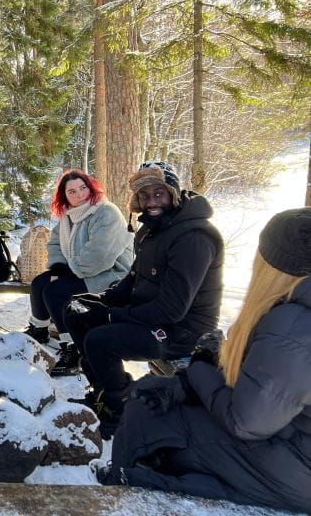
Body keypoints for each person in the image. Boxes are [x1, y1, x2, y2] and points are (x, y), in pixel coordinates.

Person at [96, 207, 311, 513]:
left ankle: (126, 495)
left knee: (145, 410)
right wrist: (186, 384)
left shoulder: (293, 323)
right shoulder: (294, 309)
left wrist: (199, 369)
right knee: (158, 392)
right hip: (290, 443)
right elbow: (270, 385)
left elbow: (247, 422)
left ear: (274, 265)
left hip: (295, 466)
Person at [63, 161, 223, 437]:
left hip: (183, 331)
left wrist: (111, 316)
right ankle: (106, 390)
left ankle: (118, 409)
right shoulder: (152, 229)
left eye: (158, 194)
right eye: (144, 196)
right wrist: (102, 300)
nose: (151, 202)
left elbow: (171, 309)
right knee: (76, 311)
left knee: (100, 340)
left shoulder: (193, 238)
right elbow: (134, 279)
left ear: (173, 193)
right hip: (151, 314)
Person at [26, 169, 133, 377]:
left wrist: (68, 271)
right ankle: (39, 329)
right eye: (72, 191)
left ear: (91, 187)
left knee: (55, 291)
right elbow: (55, 243)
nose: (79, 194)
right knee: (40, 283)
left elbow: (99, 255)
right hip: (81, 270)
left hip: (110, 274)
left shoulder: (106, 212)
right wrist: (57, 267)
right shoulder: (68, 216)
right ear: (64, 196)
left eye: (83, 188)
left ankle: (73, 349)